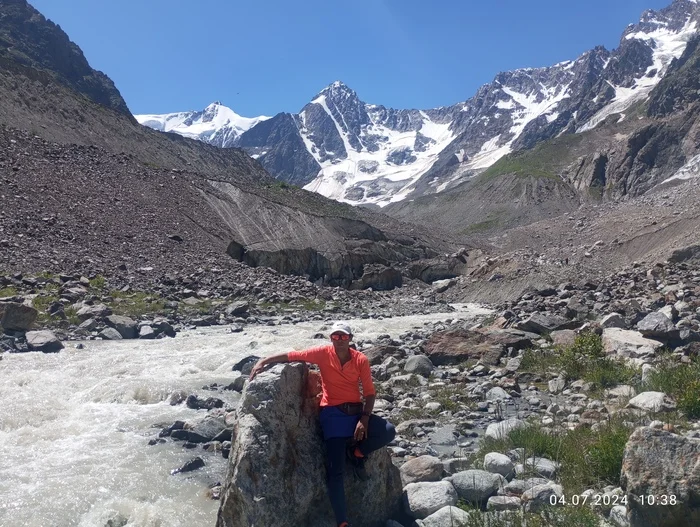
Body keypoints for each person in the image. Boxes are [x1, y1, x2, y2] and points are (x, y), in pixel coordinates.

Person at [249, 322, 396, 527]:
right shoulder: (322, 353)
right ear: (331, 339)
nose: (339, 341)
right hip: (333, 415)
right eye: (336, 337)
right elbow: (293, 355)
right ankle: (342, 522)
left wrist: (364, 419)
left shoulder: (360, 359)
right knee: (334, 471)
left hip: (355, 413)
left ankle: (358, 453)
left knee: (388, 431)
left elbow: (370, 393)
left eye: (343, 337)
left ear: (350, 339)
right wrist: (264, 361)